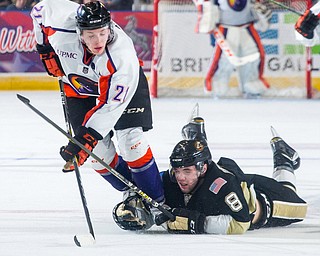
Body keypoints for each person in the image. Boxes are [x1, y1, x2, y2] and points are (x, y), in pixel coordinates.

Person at [30, 0, 164, 205]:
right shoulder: (60, 22)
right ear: (79, 32)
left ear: (109, 27)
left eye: (102, 33)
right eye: (91, 35)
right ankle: (131, 192)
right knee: (97, 153)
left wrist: (86, 138)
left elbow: (111, 105)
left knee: (131, 142)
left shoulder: (121, 55)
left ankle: (158, 201)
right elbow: (38, 11)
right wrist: (44, 48)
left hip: (120, 90)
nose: (98, 40)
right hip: (79, 88)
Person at [113, 117, 307, 234]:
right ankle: (195, 136)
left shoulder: (222, 184)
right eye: (178, 170)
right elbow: (139, 186)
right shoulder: (170, 178)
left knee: (298, 206)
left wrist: (196, 223)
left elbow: (241, 224)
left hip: (265, 204)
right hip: (226, 183)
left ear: (202, 169)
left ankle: (284, 159)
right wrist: (130, 203)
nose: (180, 177)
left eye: (187, 171)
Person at [192, 0, 271, 98]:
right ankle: (219, 84)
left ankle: (250, 82)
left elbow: (258, 5)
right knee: (224, 60)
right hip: (225, 28)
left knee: (252, 55)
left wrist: (261, 12)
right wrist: (208, 21)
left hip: (247, 28)